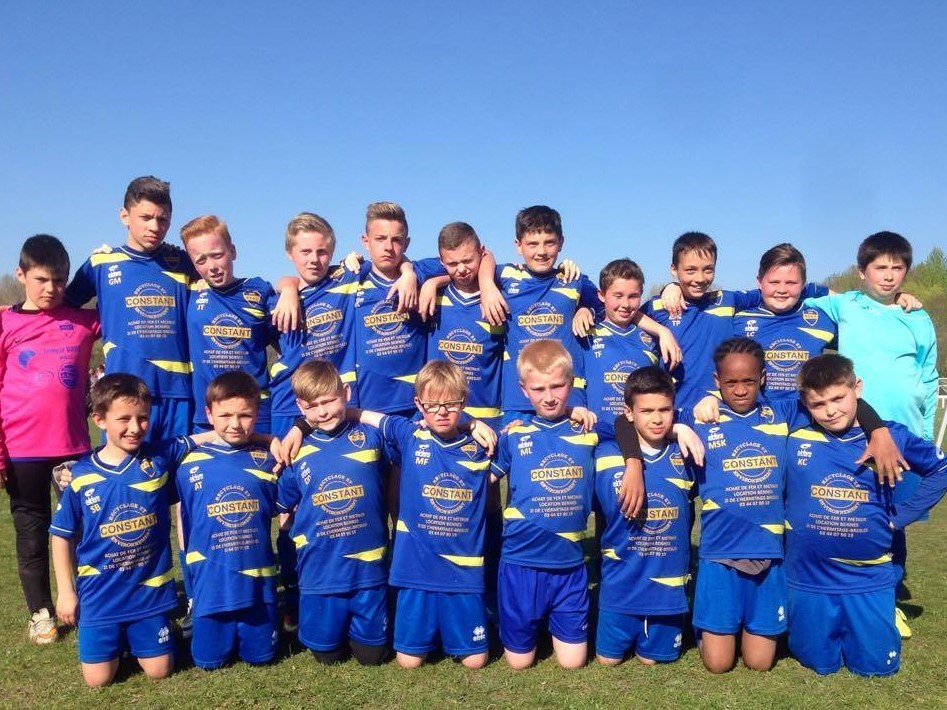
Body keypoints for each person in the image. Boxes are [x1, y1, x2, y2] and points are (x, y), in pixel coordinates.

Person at [805, 231, 939, 631]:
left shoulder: (917, 317)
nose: (889, 275)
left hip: (904, 434)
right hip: (859, 432)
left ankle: (888, 598)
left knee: (892, 522)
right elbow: (797, 296)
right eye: (880, 267)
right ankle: (840, 590)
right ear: (861, 271)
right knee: (851, 513)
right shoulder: (845, 305)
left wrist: (925, 433)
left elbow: (928, 376)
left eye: (898, 268)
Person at [785, 354, 947, 676]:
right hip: (807, 577)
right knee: (818, 662)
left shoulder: (889, 437)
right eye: (819, 404)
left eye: (838, 398)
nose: (830, 411)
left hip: (867, 578)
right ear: (805, 404)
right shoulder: (794, 432)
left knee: (876, 668)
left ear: (857, 388)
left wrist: (901, 516)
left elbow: (940, 469)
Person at [352, 360, 495, 669]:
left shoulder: (481, 445)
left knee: (475, 661)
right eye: (432, 405)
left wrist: (473, 424)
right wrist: (300, 427)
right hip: (414, 570)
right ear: (418, 404)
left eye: (451, 404)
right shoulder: (409, 435)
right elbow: (359, 413)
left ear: (464, 401)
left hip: (463, 572)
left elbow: (528, 434)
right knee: (408, 662)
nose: (442, 412)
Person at [50, 374, 188, 686]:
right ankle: (117, 636)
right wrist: (67, 592)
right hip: (100, 595)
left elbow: (211, 435)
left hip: (148, 594)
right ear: (99, 419)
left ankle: (148, 634)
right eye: (124, 419)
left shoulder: (158, 457)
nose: (135, 427)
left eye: (143, 418)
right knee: (97, 680)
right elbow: (61, 535)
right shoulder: (81, 475)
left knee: (159, 670)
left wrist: (267, 440)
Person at [1, 235, 100, 644]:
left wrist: (99, 264)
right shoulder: (5, 323)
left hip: (72, 448)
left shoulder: (83, 321)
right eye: (42, 279)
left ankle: (87, 600)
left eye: (59, 280)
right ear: (21, 274)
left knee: (83, 529)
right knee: (31, 532)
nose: (51, 289)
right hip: (20, 450)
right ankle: (40, 613)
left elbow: (127, 313)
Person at [490, 340, 600, 670]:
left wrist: (681, 428)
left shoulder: (589, 430)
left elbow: (632, 425)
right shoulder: (513, 434)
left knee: (573, 663)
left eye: (557, 386)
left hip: (569, 565)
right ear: (524, 390)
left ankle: (553, 620)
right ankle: (527, 625)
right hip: (520, 563)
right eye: (538, 389)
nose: (549, 397)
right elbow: (482, 477)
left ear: (572, 383)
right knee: (519, 663)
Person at [65, 176, 195, 440]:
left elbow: (227, 286)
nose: (155, 227)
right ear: (124, 216)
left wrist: (283, 289)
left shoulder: (183, 262)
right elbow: (59, 308)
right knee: (123, 466)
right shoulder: (101, 263)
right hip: (122, 395)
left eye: (163, 219)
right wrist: (19, 309)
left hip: (178, 394)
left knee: (177, 467)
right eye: (146, 217)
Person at [276, 360, 389, 665]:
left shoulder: (371, 436)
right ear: (300, 406)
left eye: (329, 401)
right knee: (327, 656)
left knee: (372, 657)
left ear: (346, 393)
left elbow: (418, 431)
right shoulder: (295, 451)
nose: (323, 412)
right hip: (320, 574)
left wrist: (472, 424)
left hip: (368, 572)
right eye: (313, 406)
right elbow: (280, 504)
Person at [175, 371, 281, 669]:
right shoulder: (187, 462)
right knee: (208, 662)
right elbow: (183, 520)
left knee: (262, 659)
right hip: (211, 585)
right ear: (208, 414)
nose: (235, 424)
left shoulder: (270, 459)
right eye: (225, 415)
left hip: (258, 587)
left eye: (245, 415)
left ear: (257, 414)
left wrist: (271, 440)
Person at [594, 366, 696, 665]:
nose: (657, 419)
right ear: (629, 412)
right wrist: (634, 461)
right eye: (647, 411)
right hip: (619, 586)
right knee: (608, 661)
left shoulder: (685, 452)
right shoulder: (604, 452)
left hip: (667, 591)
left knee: (652, 661)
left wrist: (682, 428)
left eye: (664, 409)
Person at [181, 215, 278, 433]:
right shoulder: (189, 293)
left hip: (256, 411)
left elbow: (285, 342)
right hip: (208, 415)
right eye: (201, 261)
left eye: (217, 255)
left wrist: (289, 286)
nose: (212, 267)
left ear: (232, 251)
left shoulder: (259, 290)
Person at [268, 212, 360, 437]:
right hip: (289, 403)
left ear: (332, 251)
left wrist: (407, 271)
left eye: (322, 252)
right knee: (286, 459)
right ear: (289, 253)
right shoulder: (274, 301)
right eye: (305, 252)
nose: (314, 260)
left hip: (335, 403)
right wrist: (288, 287)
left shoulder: (348, 278)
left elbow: (400, 263)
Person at [418, 222, 505, 432]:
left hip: (489, 421)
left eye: (468, 261)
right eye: (453, 263)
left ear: (481, 253)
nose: (462, 269)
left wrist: (582, 307)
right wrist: (432, 283)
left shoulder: (499, 295)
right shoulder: (432, 297)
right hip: (442, 419)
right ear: (441, 262)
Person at [733, 244, 836, 400]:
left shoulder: (822, 318)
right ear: (759, 282)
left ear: (803, 284)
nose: (782, 290)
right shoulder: (739, 321)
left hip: (808, 412)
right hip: (760, 413)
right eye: (774, 282)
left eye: (791, 283)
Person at [581, 258, 667, 422]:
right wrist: (583, 309)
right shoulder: (585, 332)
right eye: (618, 296)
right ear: (601, 295)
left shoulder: (652, 338)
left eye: (633, 296)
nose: (625, 304)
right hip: (596, 429)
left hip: (639, 431)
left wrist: (665, 332)